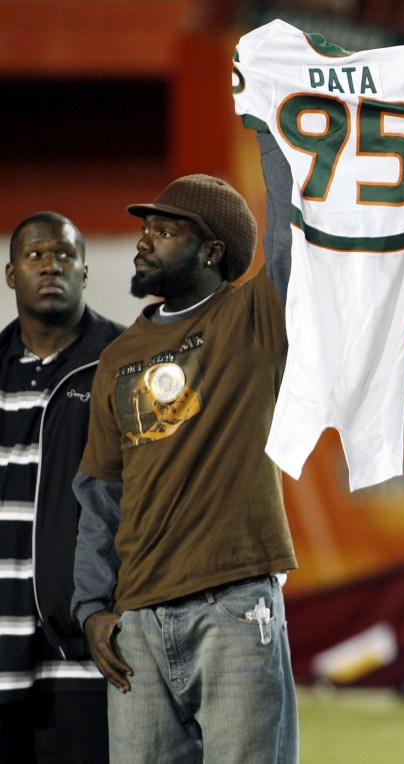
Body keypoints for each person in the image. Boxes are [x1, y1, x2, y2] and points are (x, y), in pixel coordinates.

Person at [70, 169, 299, 763]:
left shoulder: (252, 316)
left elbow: (287, 240)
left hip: (235, 605)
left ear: (212, 252)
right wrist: (93, 608)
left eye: (164, 231)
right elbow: (100, 492)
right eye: (145, 229)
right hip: (138, 622)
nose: (144, 240)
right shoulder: (118, 355)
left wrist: (274, 134)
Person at [1, 212, 122, 762]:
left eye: (65, 255)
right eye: (35, 255)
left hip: (83, 654)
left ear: (86, 271)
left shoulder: (123, 363)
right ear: (10, 275)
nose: (52, 265)